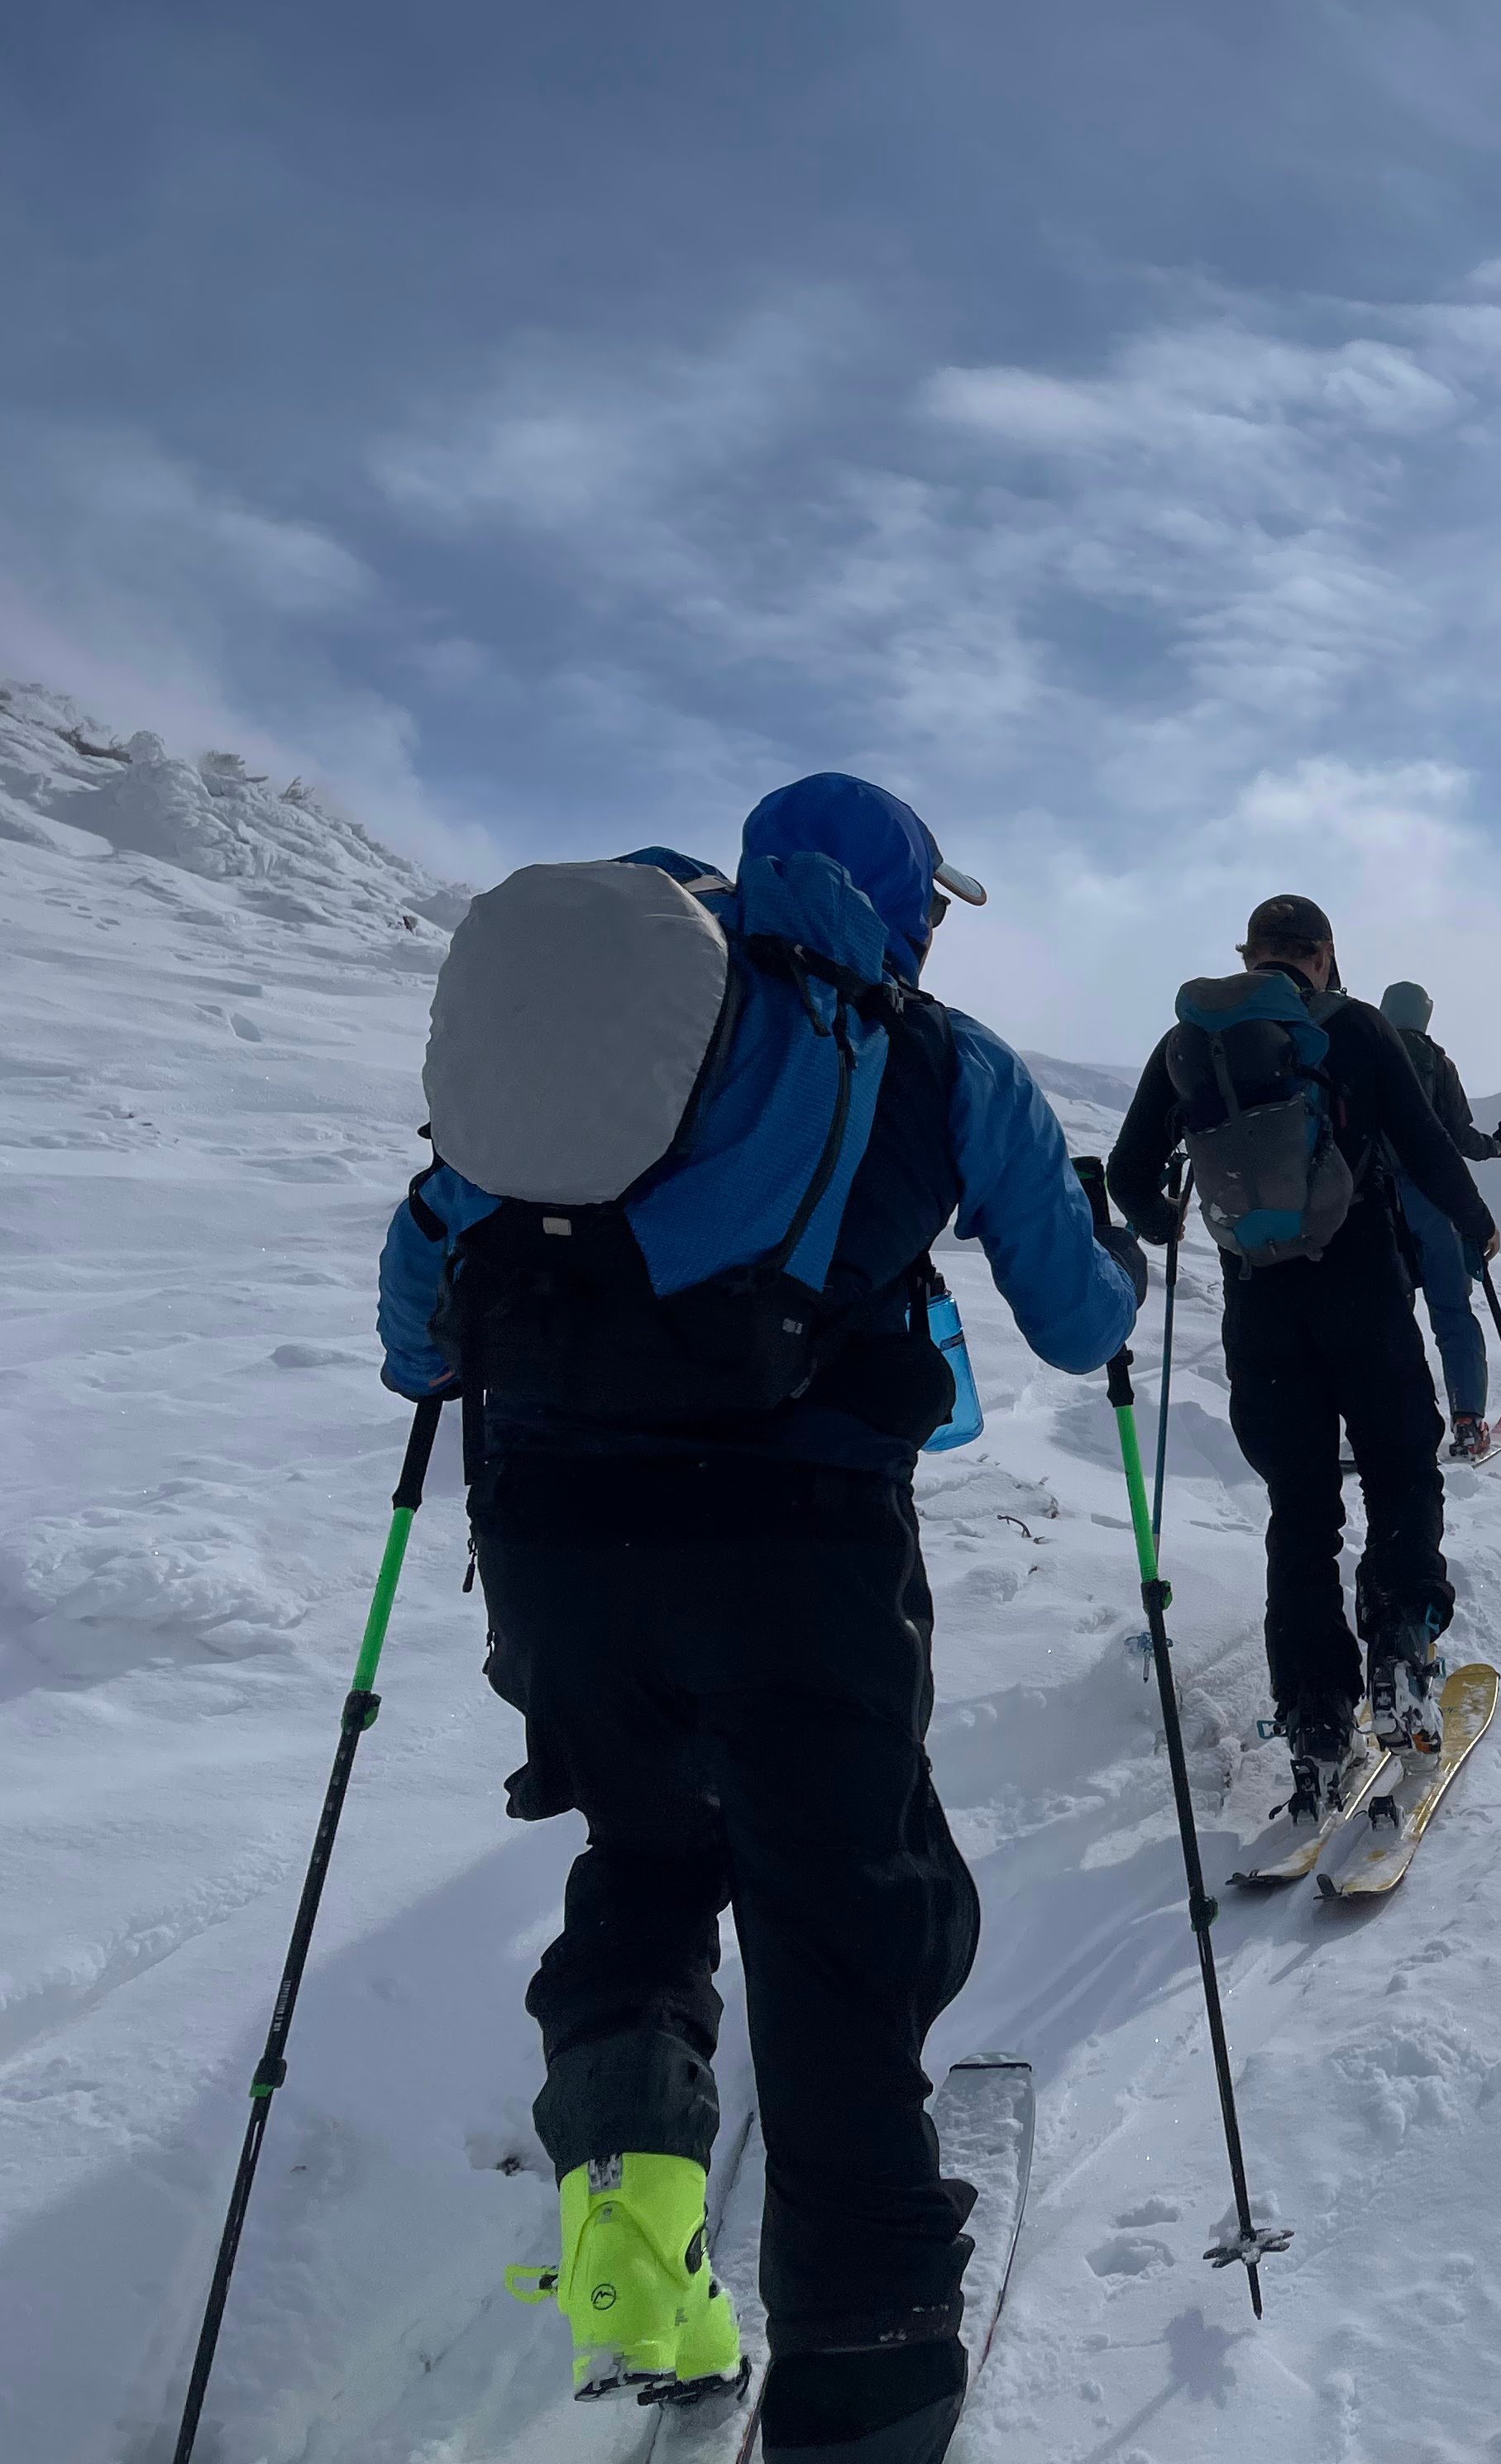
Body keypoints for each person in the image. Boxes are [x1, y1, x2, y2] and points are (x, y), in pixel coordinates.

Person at [376, 775, 1143, 2464]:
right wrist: (1118, 1259)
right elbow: (1082, 1324)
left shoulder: (618, 1037)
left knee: (648, 1865)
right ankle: (865, 2377)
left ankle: (635, 2254)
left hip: (557, 1550)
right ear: (907, 906)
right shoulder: (936, 1060)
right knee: (848, 1918)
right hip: (800, 1559)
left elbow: (423, 1305)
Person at [1103, 896, 1499, 1818]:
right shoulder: (1356, 1027)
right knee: (1402, 1470)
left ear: (1249, 954)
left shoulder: (1189, 1043)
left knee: (1302, 1510)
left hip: (1262, 1312)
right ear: (1322, 957)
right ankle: (1400, 1657)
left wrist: (1164, 1219)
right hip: (1362, 1291)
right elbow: (1425, 1145)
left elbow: (1129, 1174)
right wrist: (1475, 1230)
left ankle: (1317, 1728)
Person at [1374, 981, 1501, 1459]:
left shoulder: (1360, 1053)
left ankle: (1377, 1422)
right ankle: (1468, 1423)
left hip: (1372, 1201)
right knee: (1452, 1311)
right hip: (1433, 1202)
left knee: (1382, 1314)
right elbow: (1459, 1138)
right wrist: (1499, 1148)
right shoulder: (1437, 1063)